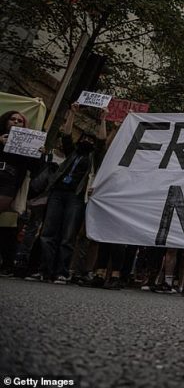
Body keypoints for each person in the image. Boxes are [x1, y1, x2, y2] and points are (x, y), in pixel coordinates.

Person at [33, 103, 106, 284]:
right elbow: (66, 134)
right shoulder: (72, 153)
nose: (87, 141)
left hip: (76, 196)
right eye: (84, 138)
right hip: (57, 193)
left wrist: (104, 118)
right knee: (48, 232)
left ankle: (61, 272)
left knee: (67, 236)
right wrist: (72, 113)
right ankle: (44, 270)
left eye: (91, 140)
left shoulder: (93, 158)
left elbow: (102, 140)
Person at [0, 110, 40, 213]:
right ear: (6, 120)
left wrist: (38, 153)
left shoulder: (28, 143)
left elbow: (33, 168)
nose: (16, 122)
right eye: (12, 119)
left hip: (10, 181)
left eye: (20, 121)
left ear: (23, 125)